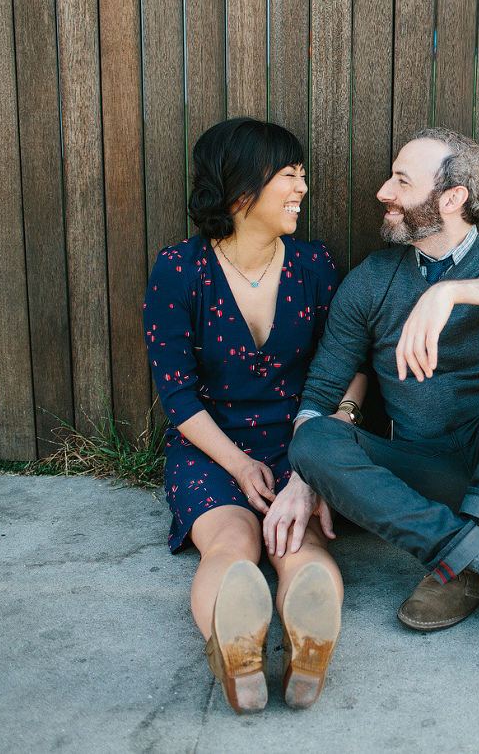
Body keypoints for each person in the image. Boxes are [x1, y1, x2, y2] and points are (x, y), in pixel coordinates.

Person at [263, 127, 479, 666]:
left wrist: (451, 290)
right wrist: (305, 477)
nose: (384, 192)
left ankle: (474, 538)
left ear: (452, 198)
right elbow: (320, 394)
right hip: (433, 473)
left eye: (401, 181)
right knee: (312, 441)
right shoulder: (373, 279)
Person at [143, 118, 367, 713]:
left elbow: (352, 368)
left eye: (302, 177)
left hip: (305, 437)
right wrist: (239, 465)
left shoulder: (316, 265)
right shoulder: (179, 270)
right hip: (210, 446)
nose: (302, 189)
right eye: (289, 177)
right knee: (231, 542)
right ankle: (238, 645)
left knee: (300, 546)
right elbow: (178, 396)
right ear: (242, 190)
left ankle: (306, 635)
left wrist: (318, 458)